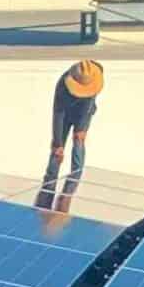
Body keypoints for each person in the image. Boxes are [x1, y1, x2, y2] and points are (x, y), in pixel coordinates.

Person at [37, 58, 102, 210]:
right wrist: (58, 143)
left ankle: (66, 197)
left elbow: (90, 103)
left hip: (83, 114)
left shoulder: (95, 75)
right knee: (56, 154)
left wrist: (82, 128)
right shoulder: (62, 85)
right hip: (64, 116)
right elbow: (58, 114)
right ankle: (46, 194)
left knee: (78, 150)